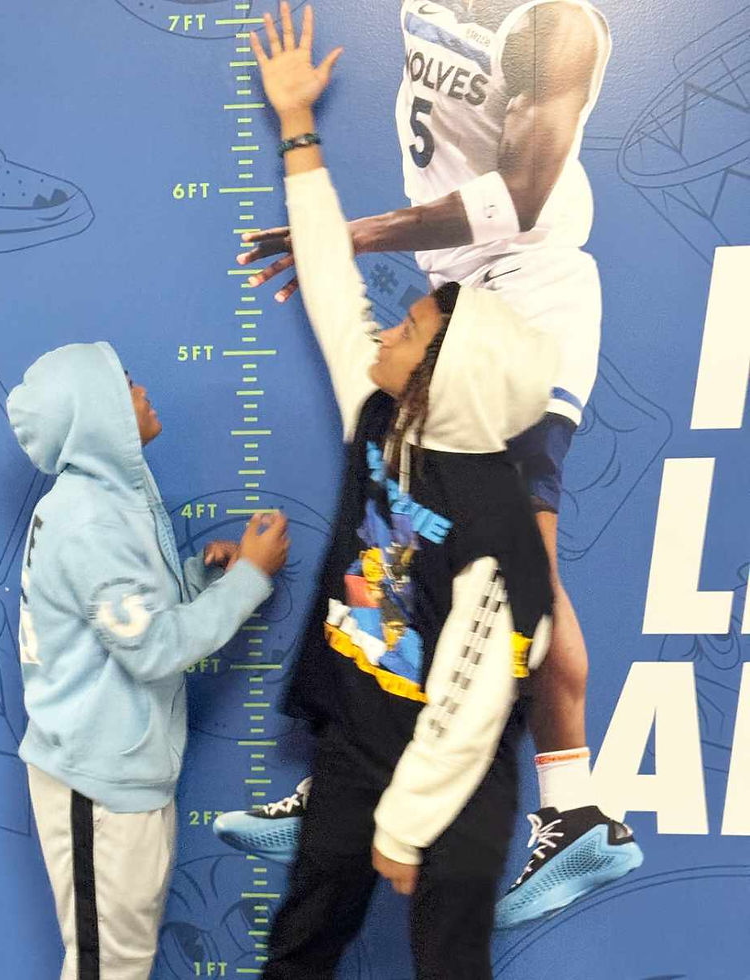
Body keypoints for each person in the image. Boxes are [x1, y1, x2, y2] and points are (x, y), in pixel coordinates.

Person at [216, 0, 643, 927]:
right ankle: (370, 777)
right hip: (459, 293)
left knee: (511, 563)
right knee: (406, 541)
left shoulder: (554, 24)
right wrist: (297, 120)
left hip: (528, 298)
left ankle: (573, 809)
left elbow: (520, 196)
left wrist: (357, 234)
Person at [6, 341, 290, 980]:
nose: (141, 392)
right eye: (125, 385)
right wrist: (250, 577)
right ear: (95, 415)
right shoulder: (91, 520)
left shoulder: (105, 502)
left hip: (119, 774)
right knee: (107, 966)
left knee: (121, 962)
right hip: (97, 783)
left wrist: (202, 579)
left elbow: (128, 618)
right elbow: (155, 648)